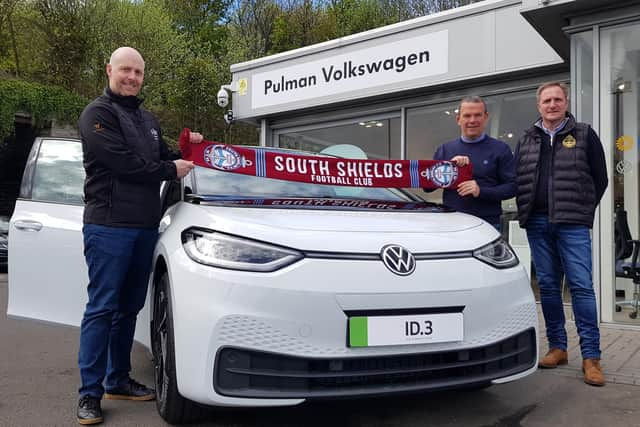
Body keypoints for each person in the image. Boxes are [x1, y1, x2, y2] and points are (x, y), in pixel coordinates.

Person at [76, 46, 201, 425]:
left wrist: (190, 146)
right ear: (109, 70)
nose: (132, 77)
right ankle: (89, 394)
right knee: (102, 309)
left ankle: (117, 380)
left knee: (128, 308)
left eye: (138, 72)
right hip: (108, 226)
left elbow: (165, 156)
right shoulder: (96, 114)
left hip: (145, 228)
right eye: (125, 70)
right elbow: (125, 164)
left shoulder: (147, 118)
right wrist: (169, 168)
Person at [515, 81, 608, 386]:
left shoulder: (584, 134)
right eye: (546, 100)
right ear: (538, 105)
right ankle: (558, 348)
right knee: (548, 287)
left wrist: (581, 209)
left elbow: (601, 178)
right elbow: (520, 177)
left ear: (566, 102)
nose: (552, 105)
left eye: (557, 99)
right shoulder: (528, 138)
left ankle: (591, 357)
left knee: (581, 287)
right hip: (538, 223)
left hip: (572, 223)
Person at [430, 96, 516, 230]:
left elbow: (513, 187)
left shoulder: (500, 149)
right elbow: (427, 187)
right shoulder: (445, 150)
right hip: (451, 223)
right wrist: (447, 168)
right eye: (467, 116)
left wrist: (481, 191)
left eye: (477, 115)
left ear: (486, 117)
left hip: (488, 224)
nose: (472, 120)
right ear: (458, 119)